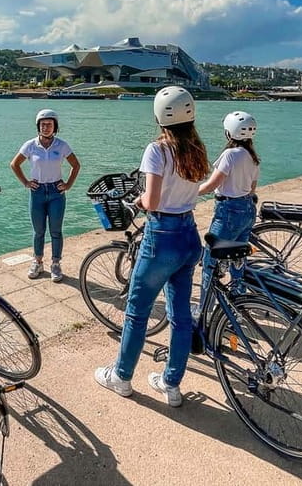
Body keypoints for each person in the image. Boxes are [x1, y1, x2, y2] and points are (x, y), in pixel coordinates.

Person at [94, 86, 208, 407]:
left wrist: (139, 200)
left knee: (137, 311)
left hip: (162, 236)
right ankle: (171, 385)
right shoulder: (197, 149)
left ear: (159, 117)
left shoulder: (157, 150)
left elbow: (153, 200)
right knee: (180, 315)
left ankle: (121, 376)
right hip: (189, 234)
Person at [197, 111, 260, 308]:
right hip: (247, 209)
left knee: (210, 261)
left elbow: (211, 185)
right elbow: (252, 188)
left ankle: (204, 309)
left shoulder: (230, 155)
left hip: (228, 211)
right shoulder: (253, 157)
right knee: (238, 258)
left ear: (229, 133)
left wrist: (189, 194)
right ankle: (239, 301)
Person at [9, 109, 81, 282]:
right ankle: (38, 262)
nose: (46, 127)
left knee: (56, 231)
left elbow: (76, 165)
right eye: (42, 124)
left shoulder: (62, 145)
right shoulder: (30, 145)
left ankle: (55, 263)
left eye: (49, 124)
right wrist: (26, 182)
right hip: (37, 192)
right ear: (38, 126)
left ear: (55, 126)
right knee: (38, 231)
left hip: (56, 192)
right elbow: (14, 164)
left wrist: (68, 184)